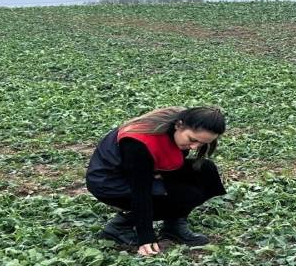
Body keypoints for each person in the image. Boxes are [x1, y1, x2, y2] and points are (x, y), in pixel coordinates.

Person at [85, 106, 227, 256]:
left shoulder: (183, 122)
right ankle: (120, 226)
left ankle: (173, 224)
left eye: (202, 144)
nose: (194, 147)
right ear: (179, 125)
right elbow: (140, 191)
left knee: (205, 170)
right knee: (187, 194)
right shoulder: (139, 143)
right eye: (192, 140)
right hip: (110, 182)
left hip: (143, 169)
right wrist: (145, 236)